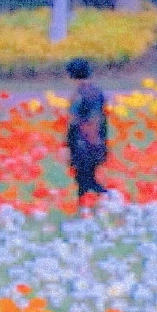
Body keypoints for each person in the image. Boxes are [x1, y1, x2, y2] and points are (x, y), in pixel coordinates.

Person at [62, 57, 110, 204]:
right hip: (97, 142)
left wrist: (66, 146)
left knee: (84, 180)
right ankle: (87, 207)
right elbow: (102, 120)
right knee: (87, 178)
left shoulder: (78, 96)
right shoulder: (98, 93)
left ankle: (109, 198)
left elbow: (74, 123)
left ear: (71, 75)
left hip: (81, 144)